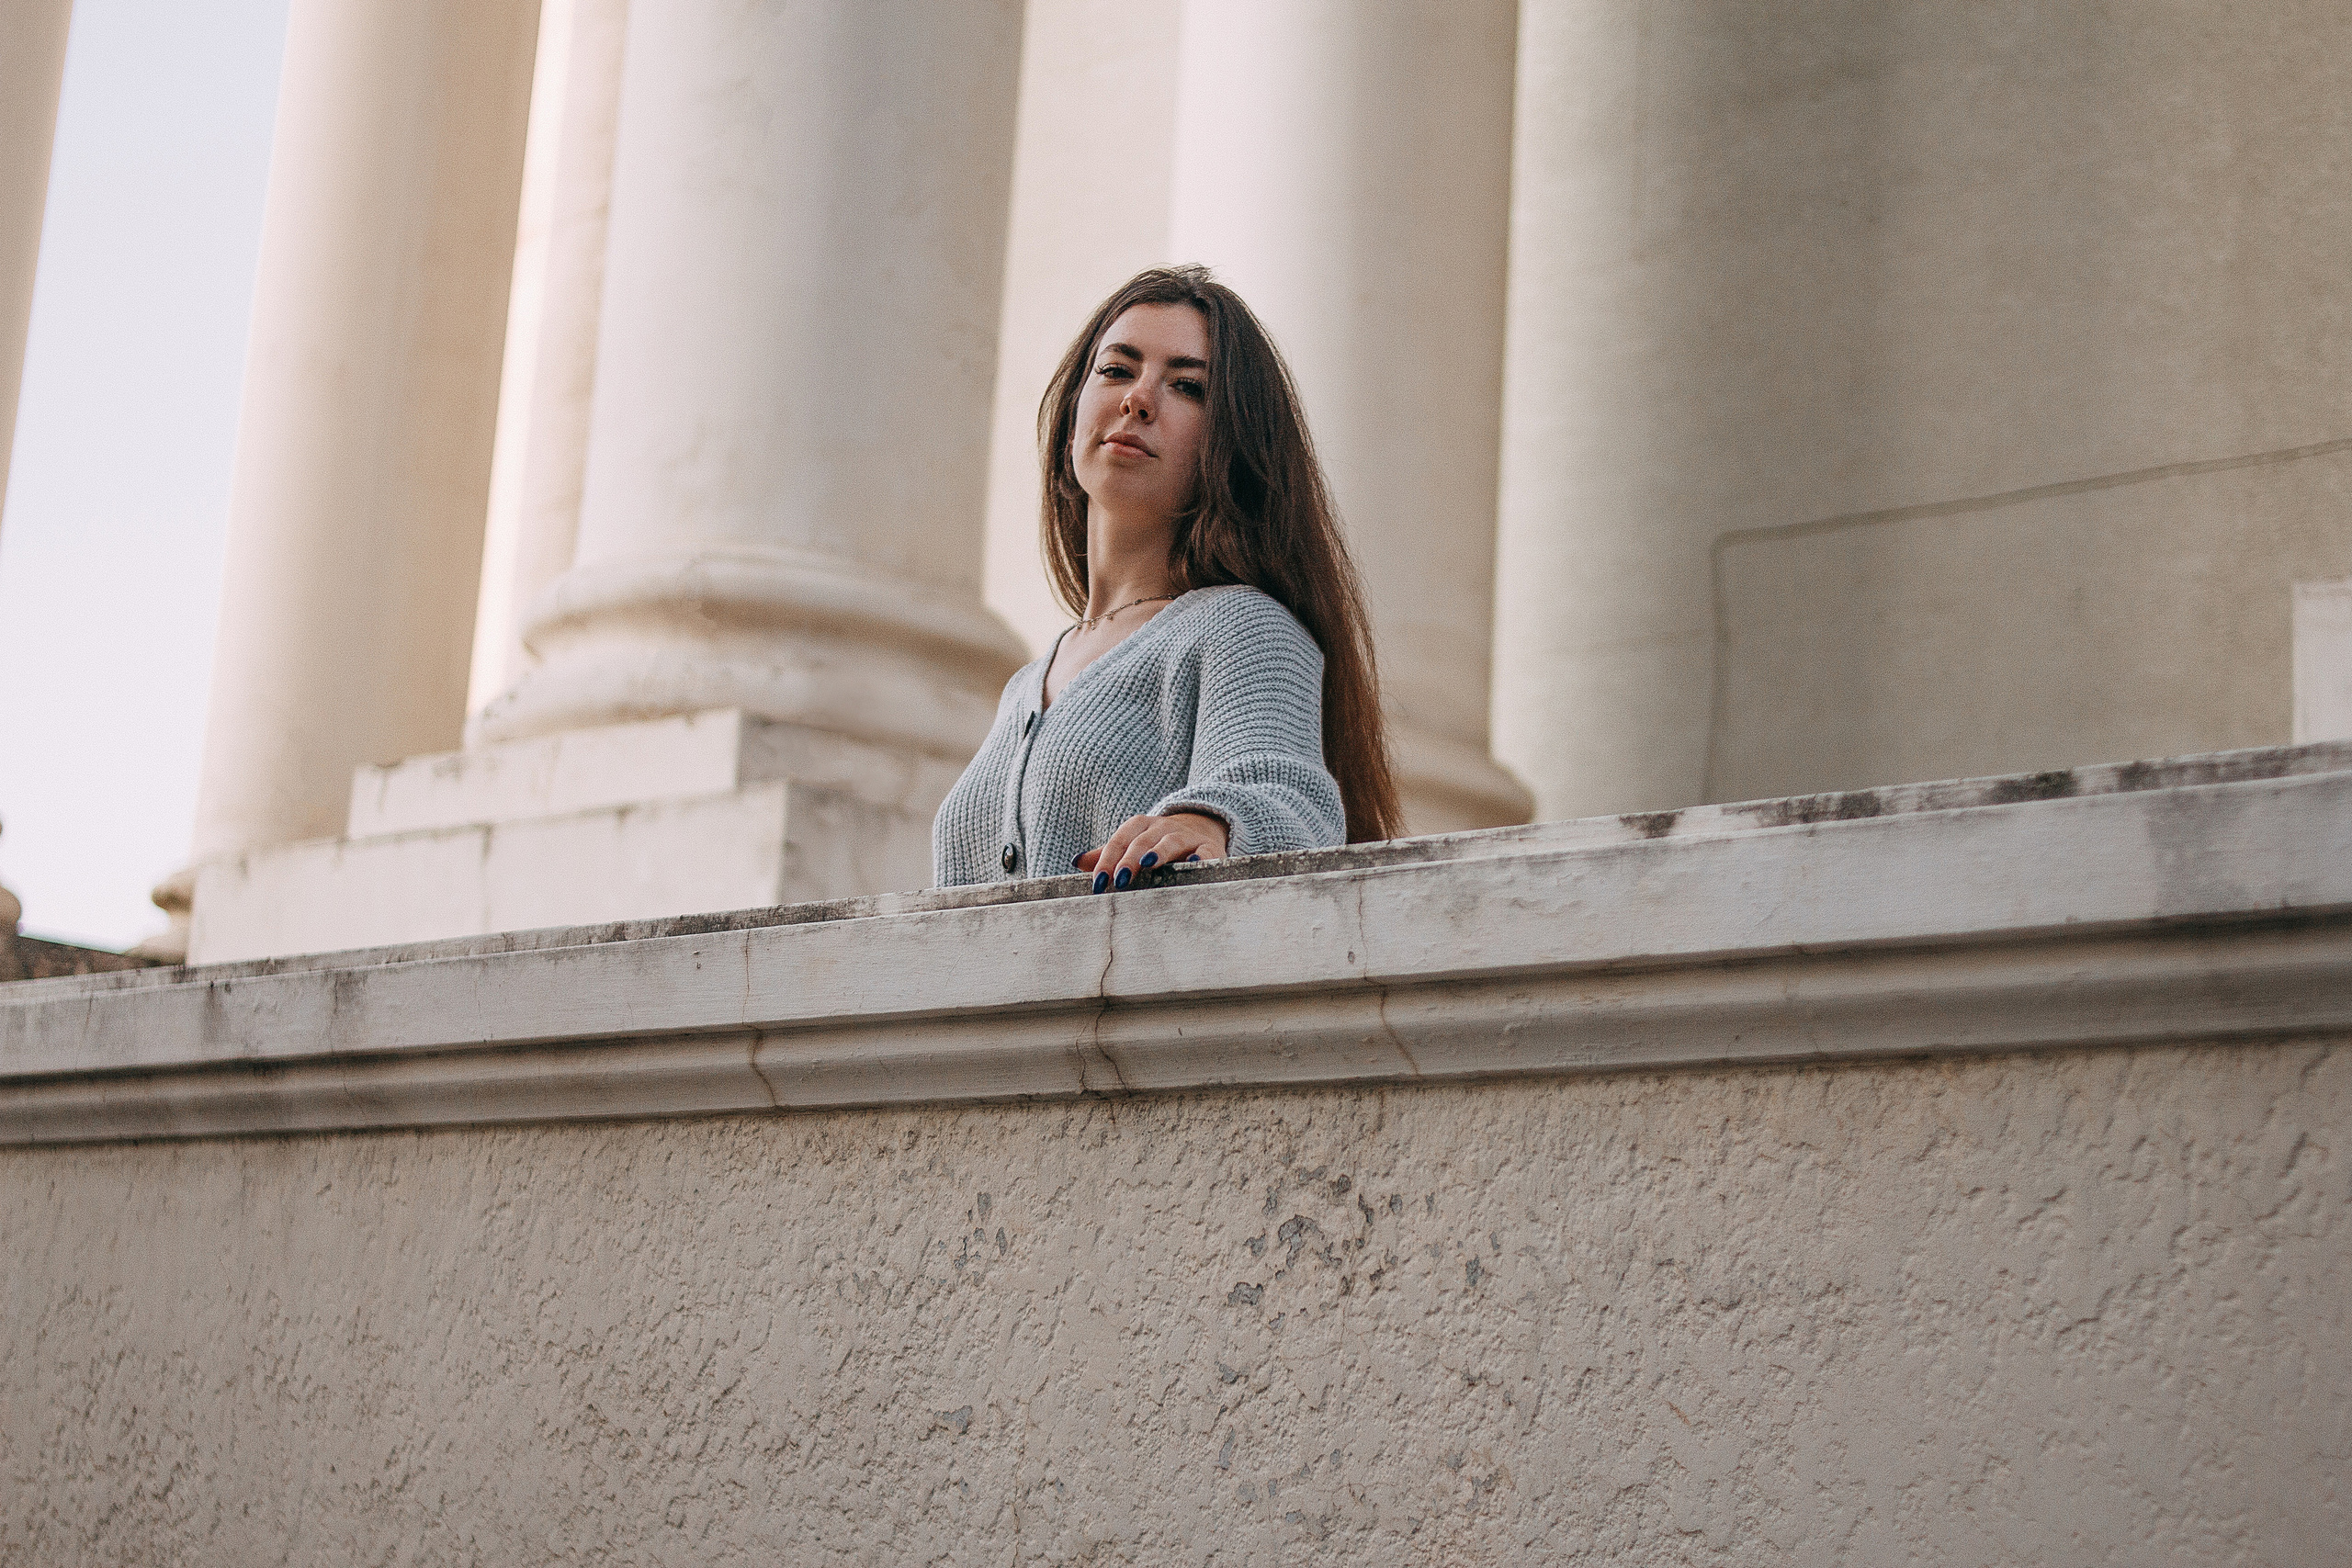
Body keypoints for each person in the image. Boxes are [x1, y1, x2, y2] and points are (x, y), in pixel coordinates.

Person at [933, 265, 1400, 892]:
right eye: (1117, 370)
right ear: (1074, 416)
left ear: (1231, 446)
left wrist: (1210, 823)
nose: (1138, 398)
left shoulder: (1243, 625)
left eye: (1186, 386)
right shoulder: (1027, 682)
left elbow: (1288, 798)